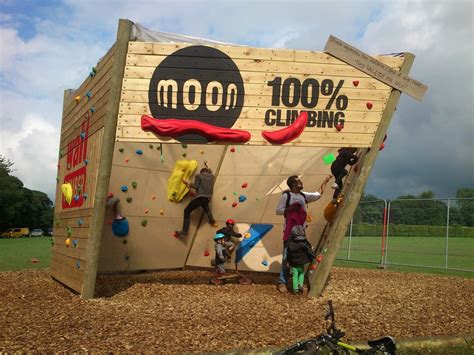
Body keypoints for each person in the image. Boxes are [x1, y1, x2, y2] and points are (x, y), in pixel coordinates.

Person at [275, 175, 330, 293]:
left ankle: (299, 283)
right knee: (286, 257)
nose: (301, 182)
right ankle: (282, 282)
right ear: (293, 184)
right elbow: (278, 210)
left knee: (301, 255)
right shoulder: (286, 196)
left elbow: (318, 194)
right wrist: (290, 209)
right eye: (298, 181)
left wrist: (325, 180)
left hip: (301, 232)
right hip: (289, 232)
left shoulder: (303, 195)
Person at [175, 160, 215, 238]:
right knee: (205, 206)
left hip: (200, 197)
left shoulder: (199, 176)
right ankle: (212, 219)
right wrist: (208, 164)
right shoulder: (211, 176)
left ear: (201, 172)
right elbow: (210, 171)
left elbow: (195, 186)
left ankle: (184, 231)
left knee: (186, 211)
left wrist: (187, 182)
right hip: (207, 198)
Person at [287, 225, 315, 294]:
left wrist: (288, 262)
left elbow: (288, 253)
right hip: (301, 262)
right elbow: (309, 249)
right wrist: (314, 255)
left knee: (295, 275)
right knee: (301, 273)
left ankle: (295, 289)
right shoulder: (303, 242)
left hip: (293, 263)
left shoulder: (290, 242)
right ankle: (301, 286)